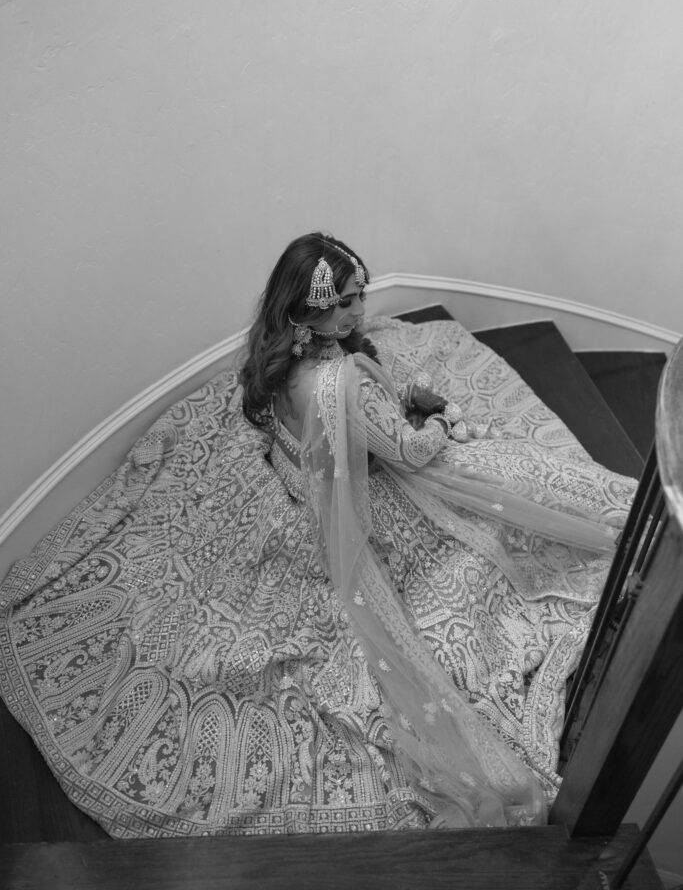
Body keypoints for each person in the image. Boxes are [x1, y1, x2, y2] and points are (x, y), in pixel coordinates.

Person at [0, 232, 636, 837]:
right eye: (350, 301)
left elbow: (321, 420)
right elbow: (410, 454)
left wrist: (392, 389)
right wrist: (438, 416)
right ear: (313, 315)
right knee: (498, 518)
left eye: (360, 294)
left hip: (302, 481)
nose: (363, 308)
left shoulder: (278, 354)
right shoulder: (339, 385)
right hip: (362, 496)